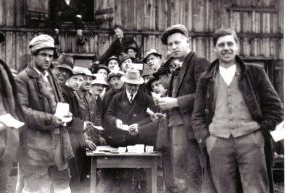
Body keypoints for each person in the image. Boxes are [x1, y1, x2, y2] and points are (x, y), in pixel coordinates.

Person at [192, 27, 283, 193]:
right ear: (214, 49)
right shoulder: (205, 79)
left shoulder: (255, 72)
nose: (226, 48)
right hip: (218, 143)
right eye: (221, 45)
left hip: (251, 142)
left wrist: (259, 133)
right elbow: (197, 115)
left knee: (256, 189)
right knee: (223, 190)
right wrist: (207, 139)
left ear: (237, 46)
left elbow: (276, 108)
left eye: (229, 43)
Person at [156, 24, 210, 193]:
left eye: (177, 43)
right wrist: (165, 110)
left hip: (190, 132)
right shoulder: (179, 67)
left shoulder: (199, 62)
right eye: (170, 44)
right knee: (179, 177)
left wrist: (175, 102)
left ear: (188, 41)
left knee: (191, 178)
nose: (173, 47)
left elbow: (207, 95)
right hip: (175, 128)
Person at [16, 34, 73, 193]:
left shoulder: (51, 76)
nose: (48, 59)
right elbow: (23, 112)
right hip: (35, 146)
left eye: (50, 56)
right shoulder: (22, 78)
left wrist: (65, 114)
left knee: (63, 185)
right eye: (43, 55)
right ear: (33, 55)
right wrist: (52, 119)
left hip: (58, 145)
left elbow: (58, 102)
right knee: (36, 188)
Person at [0, 19, 25, 193]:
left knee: (1, 185)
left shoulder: (1, 66)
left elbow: (14, 100)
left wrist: (16, 124)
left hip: (7, 136)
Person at [104, 68, 157, 147]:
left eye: (135, 85)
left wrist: (138, 125)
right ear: (125, 83)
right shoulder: (116, 98)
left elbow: (152, 118)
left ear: (139, 85)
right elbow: (108, 115)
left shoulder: (147, 99)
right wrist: (116, 121)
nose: (132, 88)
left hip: (139, 141)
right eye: (130, 84)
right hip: (120, 141)